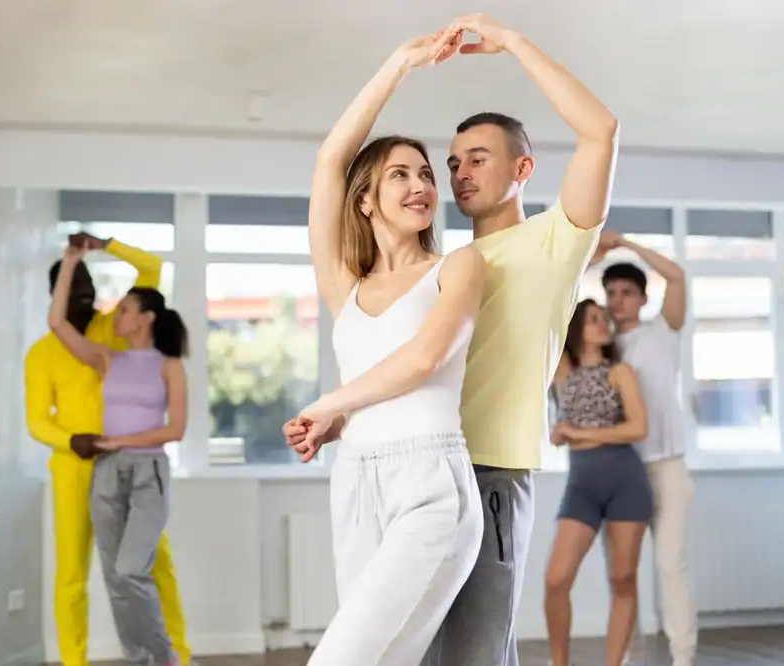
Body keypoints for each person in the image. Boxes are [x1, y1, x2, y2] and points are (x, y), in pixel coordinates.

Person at [285, 12, 619, 666]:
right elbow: (331, 169)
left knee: (475, 656)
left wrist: (515, 43)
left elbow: (601, 131)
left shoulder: (555, 241)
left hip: (488, 469)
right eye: (452, 163)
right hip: (398, 466)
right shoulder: (444, 266)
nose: (457, 173)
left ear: (523, 167)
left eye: (479, 159)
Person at [285, 29, 486, 666]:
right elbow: (327, 163)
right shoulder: (346, 285)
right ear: (365, 199)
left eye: (425, 174)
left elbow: (424, 359)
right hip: (357, 483)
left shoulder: (458, 268)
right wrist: (400, 63)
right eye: (398, 174)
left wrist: (329, 404)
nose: (420, 184)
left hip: (432, 485)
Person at [24, 231, 192, 666]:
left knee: (150, 568)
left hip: (136, 463)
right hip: (76, 468)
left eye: (89, 285)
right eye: (74, 286)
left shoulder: (113, 330)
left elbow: (150, 275)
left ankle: (176, 656)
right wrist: (69, 441)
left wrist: (104, 245)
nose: (86, 294)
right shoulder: (47, 355)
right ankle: (77, 661)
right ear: (58, 290)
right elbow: (36, 420)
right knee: (74, 576)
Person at [594, 231, 695, 666]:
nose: (617, 300)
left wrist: (626, 246)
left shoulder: (663, 330)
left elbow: (677, 277)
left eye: (626, 292)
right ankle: (627, 658)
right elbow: (557, 308)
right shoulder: (601, 346)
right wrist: (594, 255)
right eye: (611, 293)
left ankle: (683, 657)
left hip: (667, 469)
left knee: (671, 566)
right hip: (622, 474)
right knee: (622, 575)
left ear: (641, 297)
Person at [545, 298, 652, 666]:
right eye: (593, 319)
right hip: (582, 487)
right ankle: (560, 663)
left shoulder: (619, 371)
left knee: (622, 579)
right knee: (557, 580)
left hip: (627, 482)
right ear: (577, 328)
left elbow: (638, 428)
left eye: (603, 318)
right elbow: (548, 310)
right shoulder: (561, 368)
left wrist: (578, 433)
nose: (603, 323)